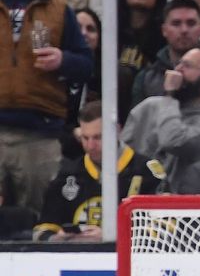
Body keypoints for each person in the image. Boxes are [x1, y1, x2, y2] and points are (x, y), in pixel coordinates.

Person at [0, 0, 93, 218]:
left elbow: (86, 65)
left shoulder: (59, 8)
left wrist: (62, 60)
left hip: (39, 134)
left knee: (42, 221)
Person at [33, 100, 163, 241]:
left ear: (117, 131)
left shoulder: (146, 171)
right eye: (85, 137)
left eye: (98, 137)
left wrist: (115, 235)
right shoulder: (68, 174)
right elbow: (43, 228)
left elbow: (166, 227)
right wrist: (59, 239)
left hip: (129, 260)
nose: (90, 146)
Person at [121, 46, 200, 194]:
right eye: (179, 63)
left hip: (185, 209)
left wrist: (170, 95)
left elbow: (172, 140)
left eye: (186, 66)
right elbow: (120, 156)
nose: (176, 70)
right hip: (137, 205)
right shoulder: (149, 108)